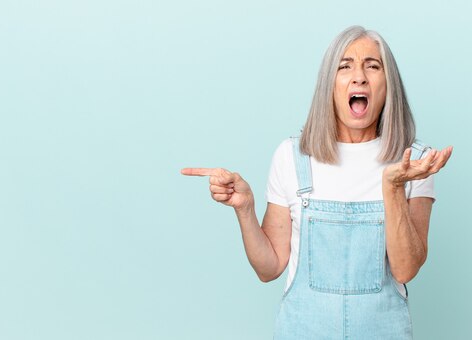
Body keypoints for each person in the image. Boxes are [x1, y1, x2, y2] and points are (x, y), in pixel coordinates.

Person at [181, 25, 452, 339]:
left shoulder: (415, 163)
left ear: (388, 84)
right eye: (345, 66)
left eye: (373, 66)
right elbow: (268, 269)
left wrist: (392, 187)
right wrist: (244, 209)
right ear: (329, 84)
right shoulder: (292, 157)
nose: (359, 76)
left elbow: (406, 269)